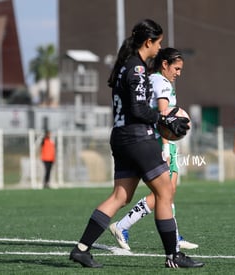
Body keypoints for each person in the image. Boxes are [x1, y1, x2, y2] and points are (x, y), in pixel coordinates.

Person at [69, 19, 203, 269]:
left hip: (120, 136)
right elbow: (139, 109)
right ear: (148, 42)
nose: (159, 47)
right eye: (158, 42)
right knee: (165, 192)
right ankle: (174, 255)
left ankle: (82, 249)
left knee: (121, 195)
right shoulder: (138, 69)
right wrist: (164, 120)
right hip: (138, 137)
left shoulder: (123, 66)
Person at [109, 47, 198, 251]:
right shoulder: (161, 82)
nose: (179, 73)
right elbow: (163, 116)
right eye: (176, 68)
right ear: (165, 64)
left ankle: (174, 235)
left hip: (158, 141)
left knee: (168, 192)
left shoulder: (157, 79)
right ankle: (122, 226)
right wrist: (166, 147)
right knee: (165, 192)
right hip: (160, 142)